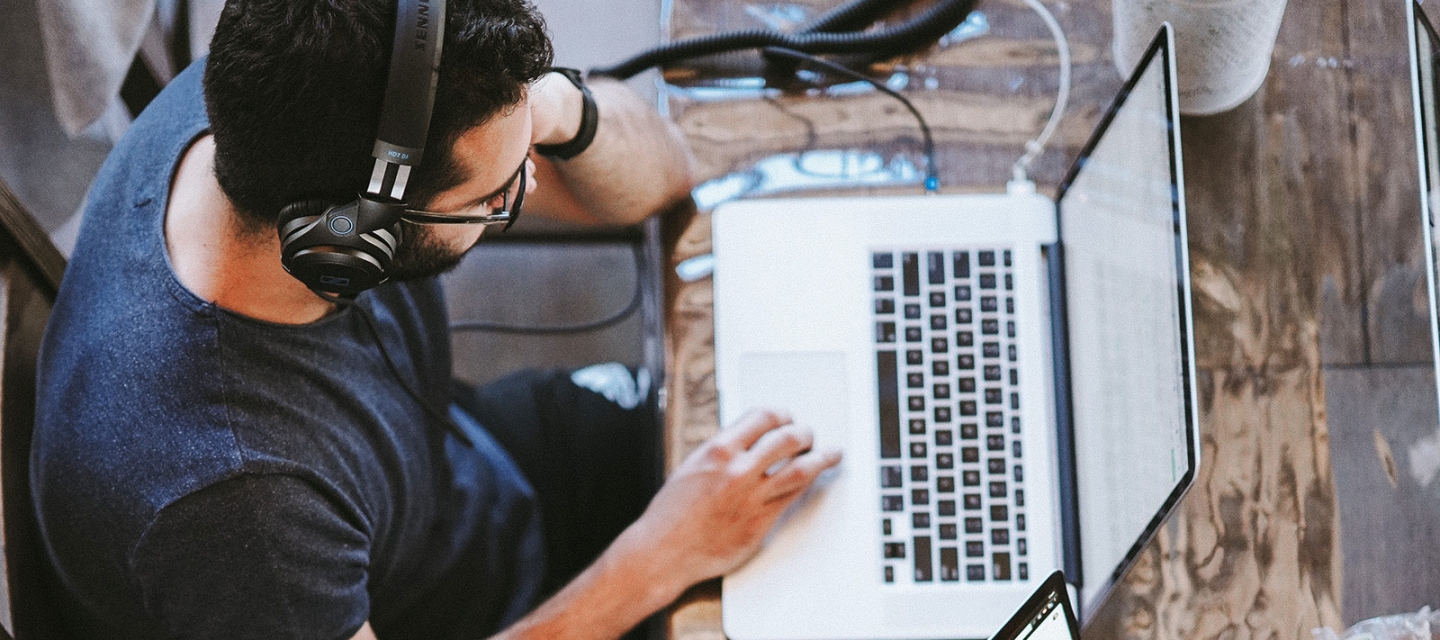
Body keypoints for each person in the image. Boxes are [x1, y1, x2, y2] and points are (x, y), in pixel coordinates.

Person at [31, 0, 842, 638]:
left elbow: (663, 175)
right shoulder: (236, 507)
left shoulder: (280, 92)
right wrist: (659, 558)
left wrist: (544, 108)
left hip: (464, 479)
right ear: (346, 241)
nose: (522, 192)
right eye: (492, 198)